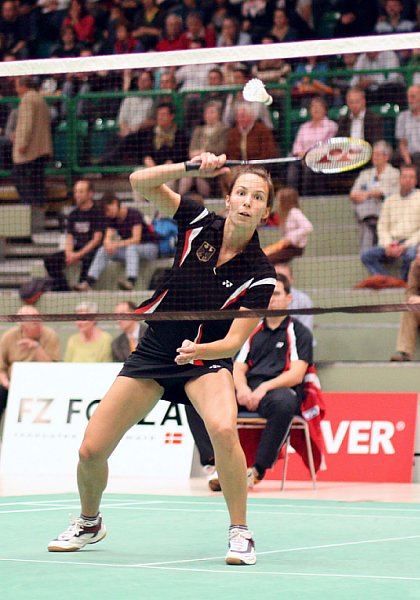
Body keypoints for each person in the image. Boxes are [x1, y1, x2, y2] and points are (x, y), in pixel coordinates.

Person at [47, 152, 277, 566]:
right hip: (156, 351)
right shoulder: (198, 223)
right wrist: (190, 168)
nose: (246, 201)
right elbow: (140, 180)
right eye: (240, 192)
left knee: (225, 428)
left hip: (205, 359)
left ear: (265, 211)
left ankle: (240, 532)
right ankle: (88, 521)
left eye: (256, 197)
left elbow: (235, 341)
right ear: (228, 199)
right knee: (90, 451)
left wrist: (199, 352)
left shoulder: (260, 271)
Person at [205, 274, 313, 491]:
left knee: (284, 403)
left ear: (289, 298)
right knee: (200, 398)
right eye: (268, 295)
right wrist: (242, 388)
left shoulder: (299, 333)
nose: (271, 299)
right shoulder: (252, 330)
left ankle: (256, 471)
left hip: (277, 391)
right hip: (247, 392)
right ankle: (215, 463)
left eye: (277, 294)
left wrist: (263, 388)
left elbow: (297, 374)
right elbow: (238, 367)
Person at [76, 192, 159, 291]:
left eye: (108, 210)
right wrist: (108, 244)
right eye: (105, 212)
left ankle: (131, 281)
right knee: (103, 250)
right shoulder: (112, 219)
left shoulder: (134, 214)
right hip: (130, 251)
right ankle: (89, 282)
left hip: (150, 249)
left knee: (132, 248)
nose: (107, 214)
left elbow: (136, 239)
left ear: (115, 203)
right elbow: (107, 238)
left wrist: (115, 244)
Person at [361, 165, 420, 281]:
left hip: (413, 244)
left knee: (411, 256)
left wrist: (405, 246)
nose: (408, 180)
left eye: (411, 177)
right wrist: (388, 244)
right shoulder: (390, 200)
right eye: (405, 176)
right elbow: (382, 226)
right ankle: (388, 281)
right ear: (399, 179)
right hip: (392, 243)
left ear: (416, 180)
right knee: (366, 256)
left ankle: (404, 283)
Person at [0, 305, 60, 420]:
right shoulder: (8, 337)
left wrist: (36, 347)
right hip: (12, 384)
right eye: (35, 324)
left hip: (41, 384)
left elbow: (52, 368)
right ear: (24, 327)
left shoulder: (50, 335)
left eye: (40, 321)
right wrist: (7, 384)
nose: (40, 326)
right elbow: (1, 368)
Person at [44, 179, 105, 292]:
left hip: (92, 249)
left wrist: (77, 255)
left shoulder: (97, 212)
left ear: (90, 193)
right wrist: (69, 253)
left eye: (81, 192)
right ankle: (63, 289)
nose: (77, 195)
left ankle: (83, 285)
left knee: (89, 257)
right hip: (77, 248)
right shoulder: (73, 214)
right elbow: (70, 237)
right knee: (50, 260)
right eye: (76, 191)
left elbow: (96, 239)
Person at [12, 76, 53, 232]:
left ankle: (30, 203)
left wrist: (22, 142)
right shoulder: (40, 98)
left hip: (31, 148)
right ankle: (40, 204)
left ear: (23, 86)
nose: (16, 89)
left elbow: (27, 123)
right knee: (37, 178)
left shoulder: (28, 99)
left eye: (17, 85)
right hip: (42, 147)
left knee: (18, 173)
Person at [350, 141, 400, 252]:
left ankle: (370, 221)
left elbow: (382, 193)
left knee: (366, 211)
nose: (374, 157)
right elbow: (353, 194)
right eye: (373, 154)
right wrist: (364, 196)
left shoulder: (394, 173)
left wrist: (366, 194)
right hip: (367, 211)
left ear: (386, 157)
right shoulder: (365, 174)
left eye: (377, 154)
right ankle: (371, 221)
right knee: (363, 208)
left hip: (385, 211)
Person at [287, 96, 337, 195]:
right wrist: (301, 154)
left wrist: (309, 155)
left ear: (325, 110)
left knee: (308, 169)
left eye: (319, 106)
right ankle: (292, 197)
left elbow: (328, 146)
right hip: (302, 158)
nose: (316, 109)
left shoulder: (331, 126)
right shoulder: (304, 127)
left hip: (321, 159)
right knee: (292, 170)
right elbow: (297, 145)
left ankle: (307, 199)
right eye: (313, 106)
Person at [178, 101, 229, 198]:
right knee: (187, 175)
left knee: (200, 177)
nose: (208, 115)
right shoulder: (198, 130)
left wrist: (204, 152)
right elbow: (192, 150)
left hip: (214, 164)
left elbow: (221, 148)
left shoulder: (224, 129)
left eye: (212, 112)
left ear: (219, 114)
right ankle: (179, 200)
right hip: (197, 162)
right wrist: (199, 154)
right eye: (207, 112)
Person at [263, 186, 313, 264]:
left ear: (285, 201)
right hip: (287, 247)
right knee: (264, 255)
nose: (277, 202)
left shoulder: (295, 212)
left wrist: (290, 238)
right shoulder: (286, 214)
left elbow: (308, 227)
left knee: (268, 260)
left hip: (295, 249)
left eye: (279, 199)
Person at [390, 243, 420, 361]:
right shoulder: (415, 266)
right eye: (417, 252)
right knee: (408, 307)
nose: (417, 255)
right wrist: (412, 299)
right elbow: (410, 290)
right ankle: (405, 353)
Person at [274, 262, 314, 333]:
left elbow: (305, 332)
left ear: (292, 279)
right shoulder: (261, 299)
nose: (279, 282)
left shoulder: (303, 300)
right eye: (276, 277)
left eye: (283, 278)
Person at [395, 84, 420, 187]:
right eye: (409, 97)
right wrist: (408, 162)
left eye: (413, 96)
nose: (410, 100)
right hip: (407, 156)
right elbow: (402, 144)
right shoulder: (402, 117)